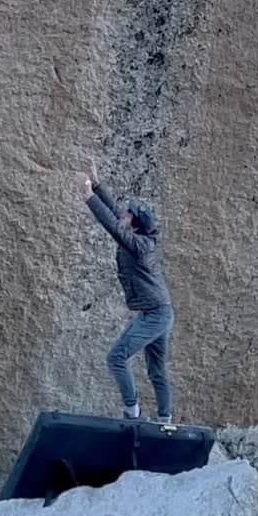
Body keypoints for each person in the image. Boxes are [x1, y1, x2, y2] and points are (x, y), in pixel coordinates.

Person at [83, 161, 174, 424]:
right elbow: (116, 214)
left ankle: (132, 413)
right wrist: (98, 185)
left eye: (128, 214)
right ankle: (165, 420)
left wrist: (88, 196)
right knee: (156, 370)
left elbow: (112, 224)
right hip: (159, 311)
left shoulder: (139, 245)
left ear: (133, 223)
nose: (123, 214)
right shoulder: (138, 236)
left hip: (156, 314)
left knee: (116, 358)